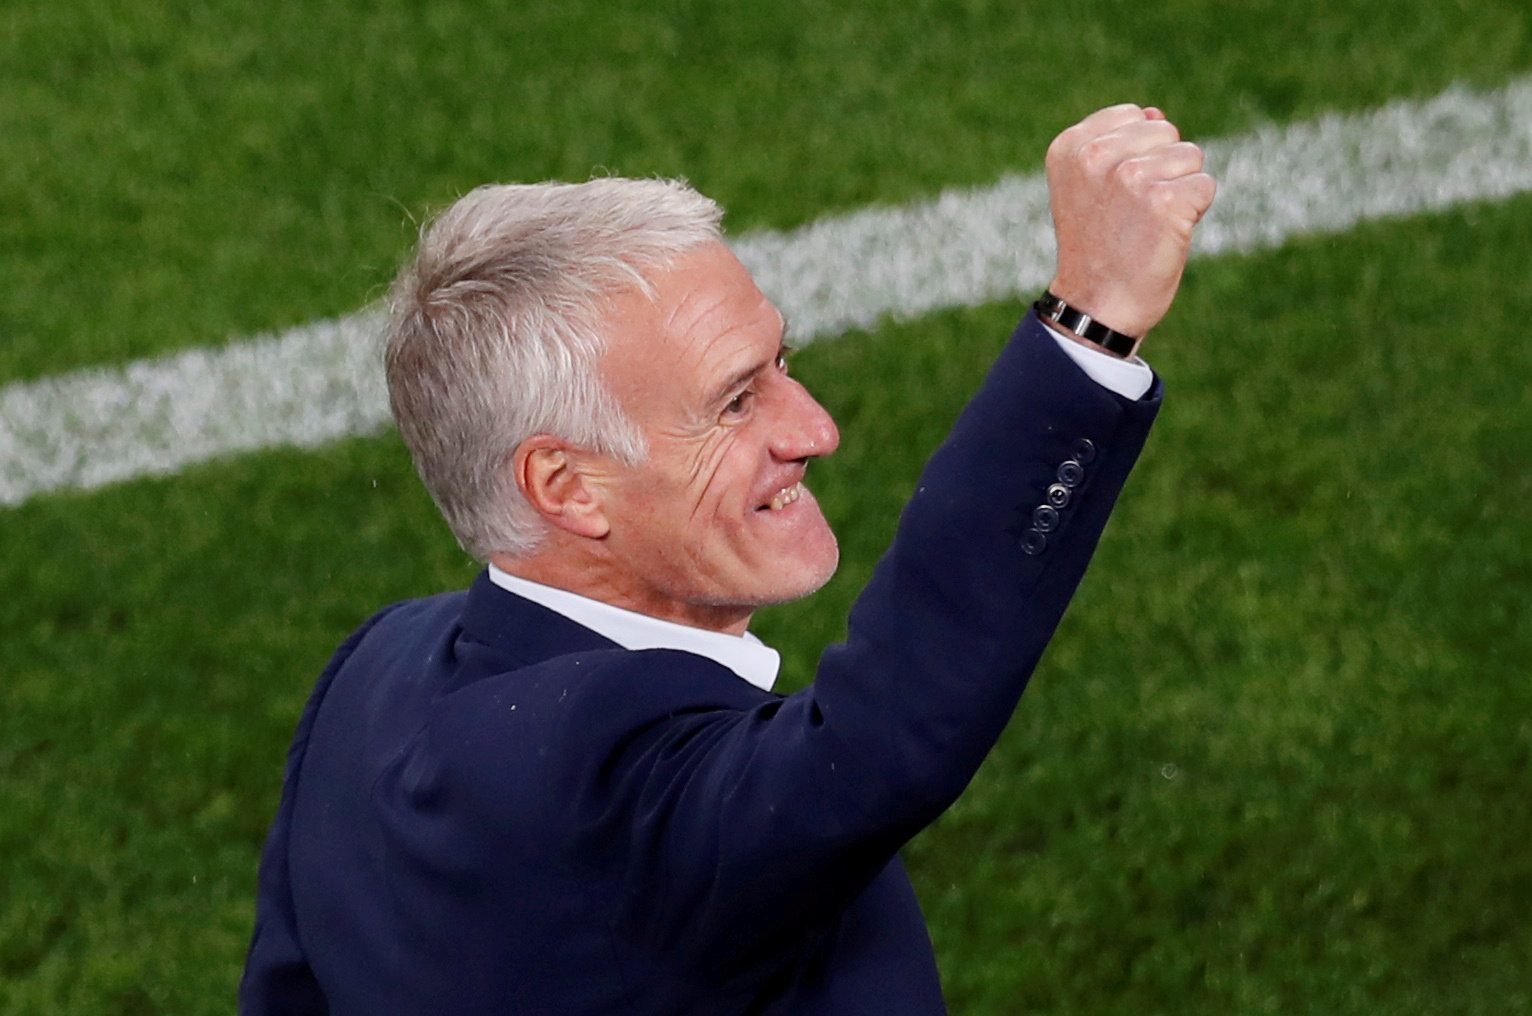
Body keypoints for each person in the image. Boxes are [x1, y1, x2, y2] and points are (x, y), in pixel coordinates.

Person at [241, 103, 1216, 1014]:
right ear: (567, 486)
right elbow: (879, 738)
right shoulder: (611, 787)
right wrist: (1090, 321)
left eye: (780, 364)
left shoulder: (370, 677)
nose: (815, 429)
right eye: (735, 402)